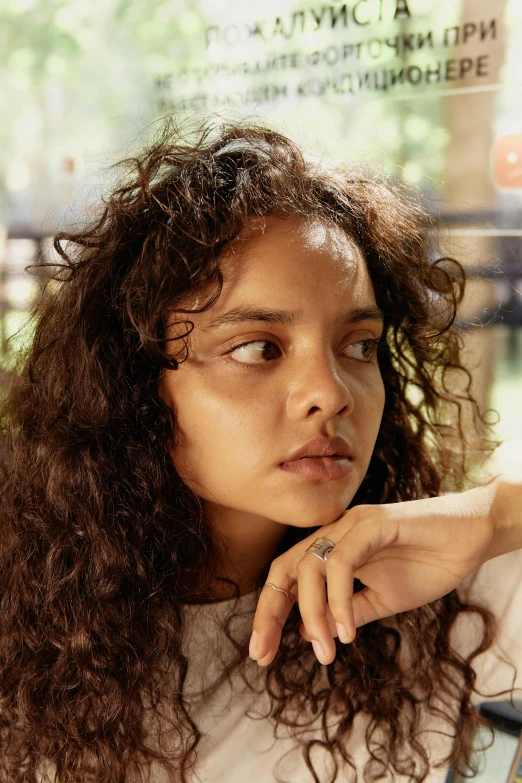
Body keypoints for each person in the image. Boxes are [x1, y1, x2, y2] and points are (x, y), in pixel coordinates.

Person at [0, 120, 520, 783]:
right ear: (133, 384)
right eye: (258, 347)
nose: (331, 394)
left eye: (357, 344)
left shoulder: (425, 582)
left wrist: (493, 518)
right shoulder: (29, 619)